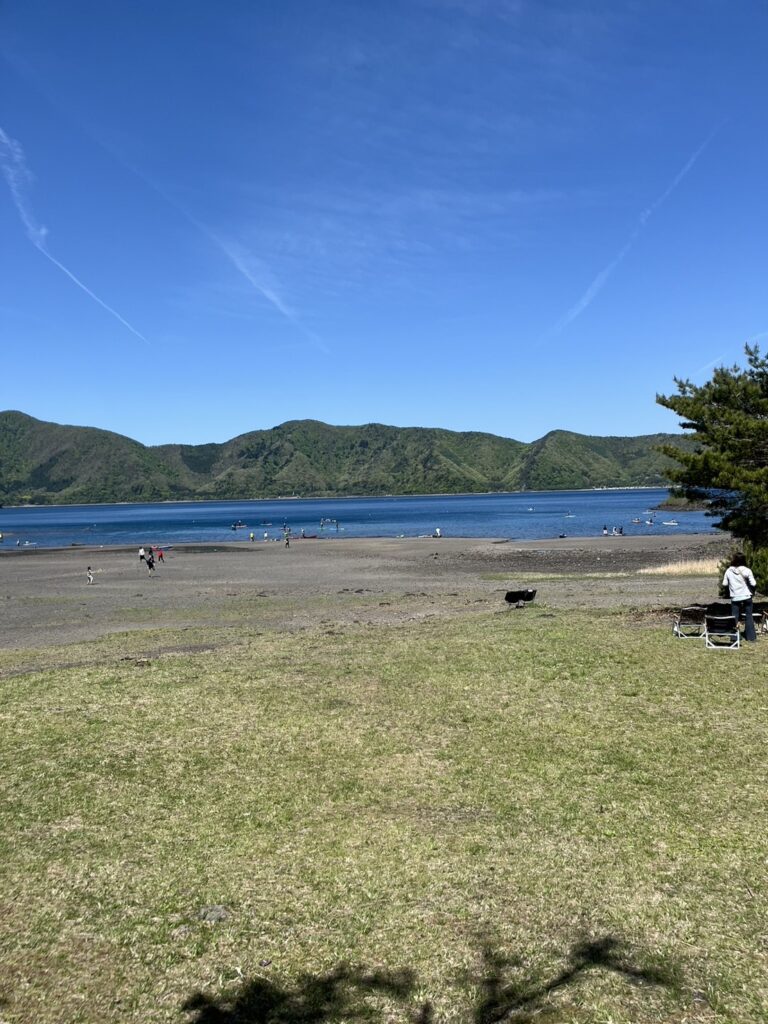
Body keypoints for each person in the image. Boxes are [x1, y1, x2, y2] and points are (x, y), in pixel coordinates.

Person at [723, 552, 757, 642]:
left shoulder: (728, 570)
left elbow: (724, 584)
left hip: (735, 597)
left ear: (734, 560)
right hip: (746, 596)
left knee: (734, 616)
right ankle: (751, 637)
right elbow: (754, 583)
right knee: (749, 615)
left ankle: (734, 637)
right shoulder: (747, 570)